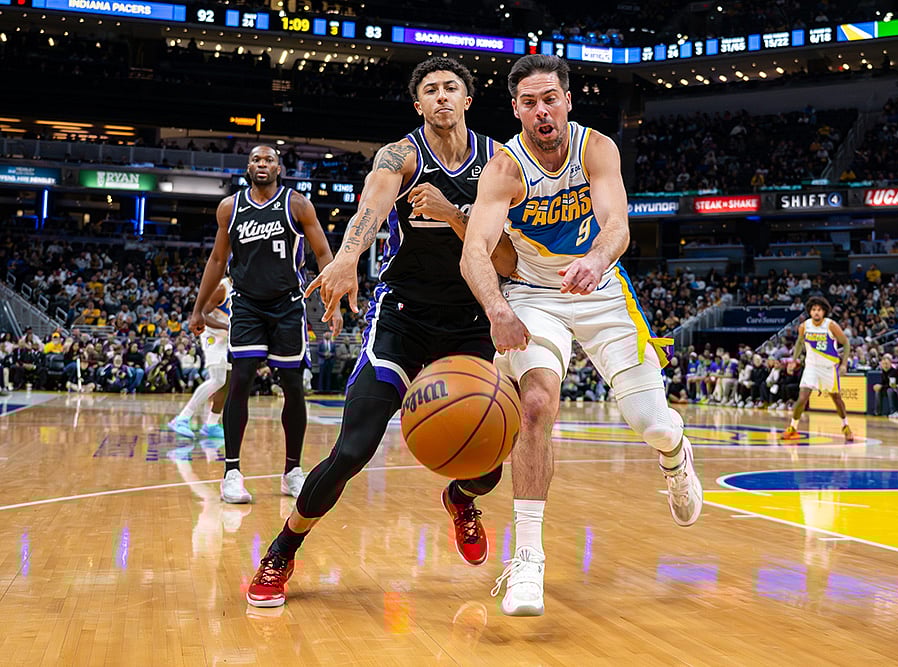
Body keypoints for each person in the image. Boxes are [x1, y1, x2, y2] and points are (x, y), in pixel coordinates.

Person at [245, 57, 517, 608]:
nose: (441, 97)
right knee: (352, 450)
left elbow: (507, 260)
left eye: (451, 89)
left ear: (468, 100)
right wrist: (347, 258)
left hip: (469, 322)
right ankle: (282, 549)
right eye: (430, 90)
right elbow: (370, 208)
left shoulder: (501, 162)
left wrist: (451, 214)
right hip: (403, 319)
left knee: (488, 465)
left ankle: (460, 499)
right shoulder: (401, 154)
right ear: (419, 105)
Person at [460, 54, 702, 617]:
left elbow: (617, 225)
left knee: (650, 423)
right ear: (515, 108)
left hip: (601, 288)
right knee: (537, 404)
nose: (541, 111)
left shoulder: (598, 148)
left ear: (568, 101)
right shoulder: (503, 169)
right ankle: (527, 560)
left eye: (550, 99)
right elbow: (475, 252)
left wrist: (595, 260)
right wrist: (496, 308)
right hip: (532, 294)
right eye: (528, 102)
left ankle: (674, 452)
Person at [189, 145, 334, 504]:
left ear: (279, 167)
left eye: (268, 159)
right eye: (256, 159)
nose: (262, 164)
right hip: (248, 306)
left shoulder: (297, 204)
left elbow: (323, 254)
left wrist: (332, 298)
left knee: (293, 387)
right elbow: (218, 259)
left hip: (287, 306)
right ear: (248, 167)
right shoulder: (230, 207)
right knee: (238, 382)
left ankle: (292, 472)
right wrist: (197, 309)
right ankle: (232, 473)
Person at [782, 296, 854, 441]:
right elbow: (799, 342)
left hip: (829, 368)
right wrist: (793, 360)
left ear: (824, 312)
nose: (816, 312)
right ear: (810, 311)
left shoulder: (831, 325)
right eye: (814, 309)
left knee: (836, 398)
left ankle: (845, 425)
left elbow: (846, 343)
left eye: (819, 310)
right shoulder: (804, 326)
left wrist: (844, 364)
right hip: (811, 367)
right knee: (802, 398)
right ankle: (793, 428)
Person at [169, 276, 232, 439]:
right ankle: (182, 418)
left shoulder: (247, 287)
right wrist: (227, 327)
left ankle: (211, 424)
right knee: (218, 379)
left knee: (227, 382)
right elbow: (202, 314)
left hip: (229, 337)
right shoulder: (222, 288)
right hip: (212, 335)